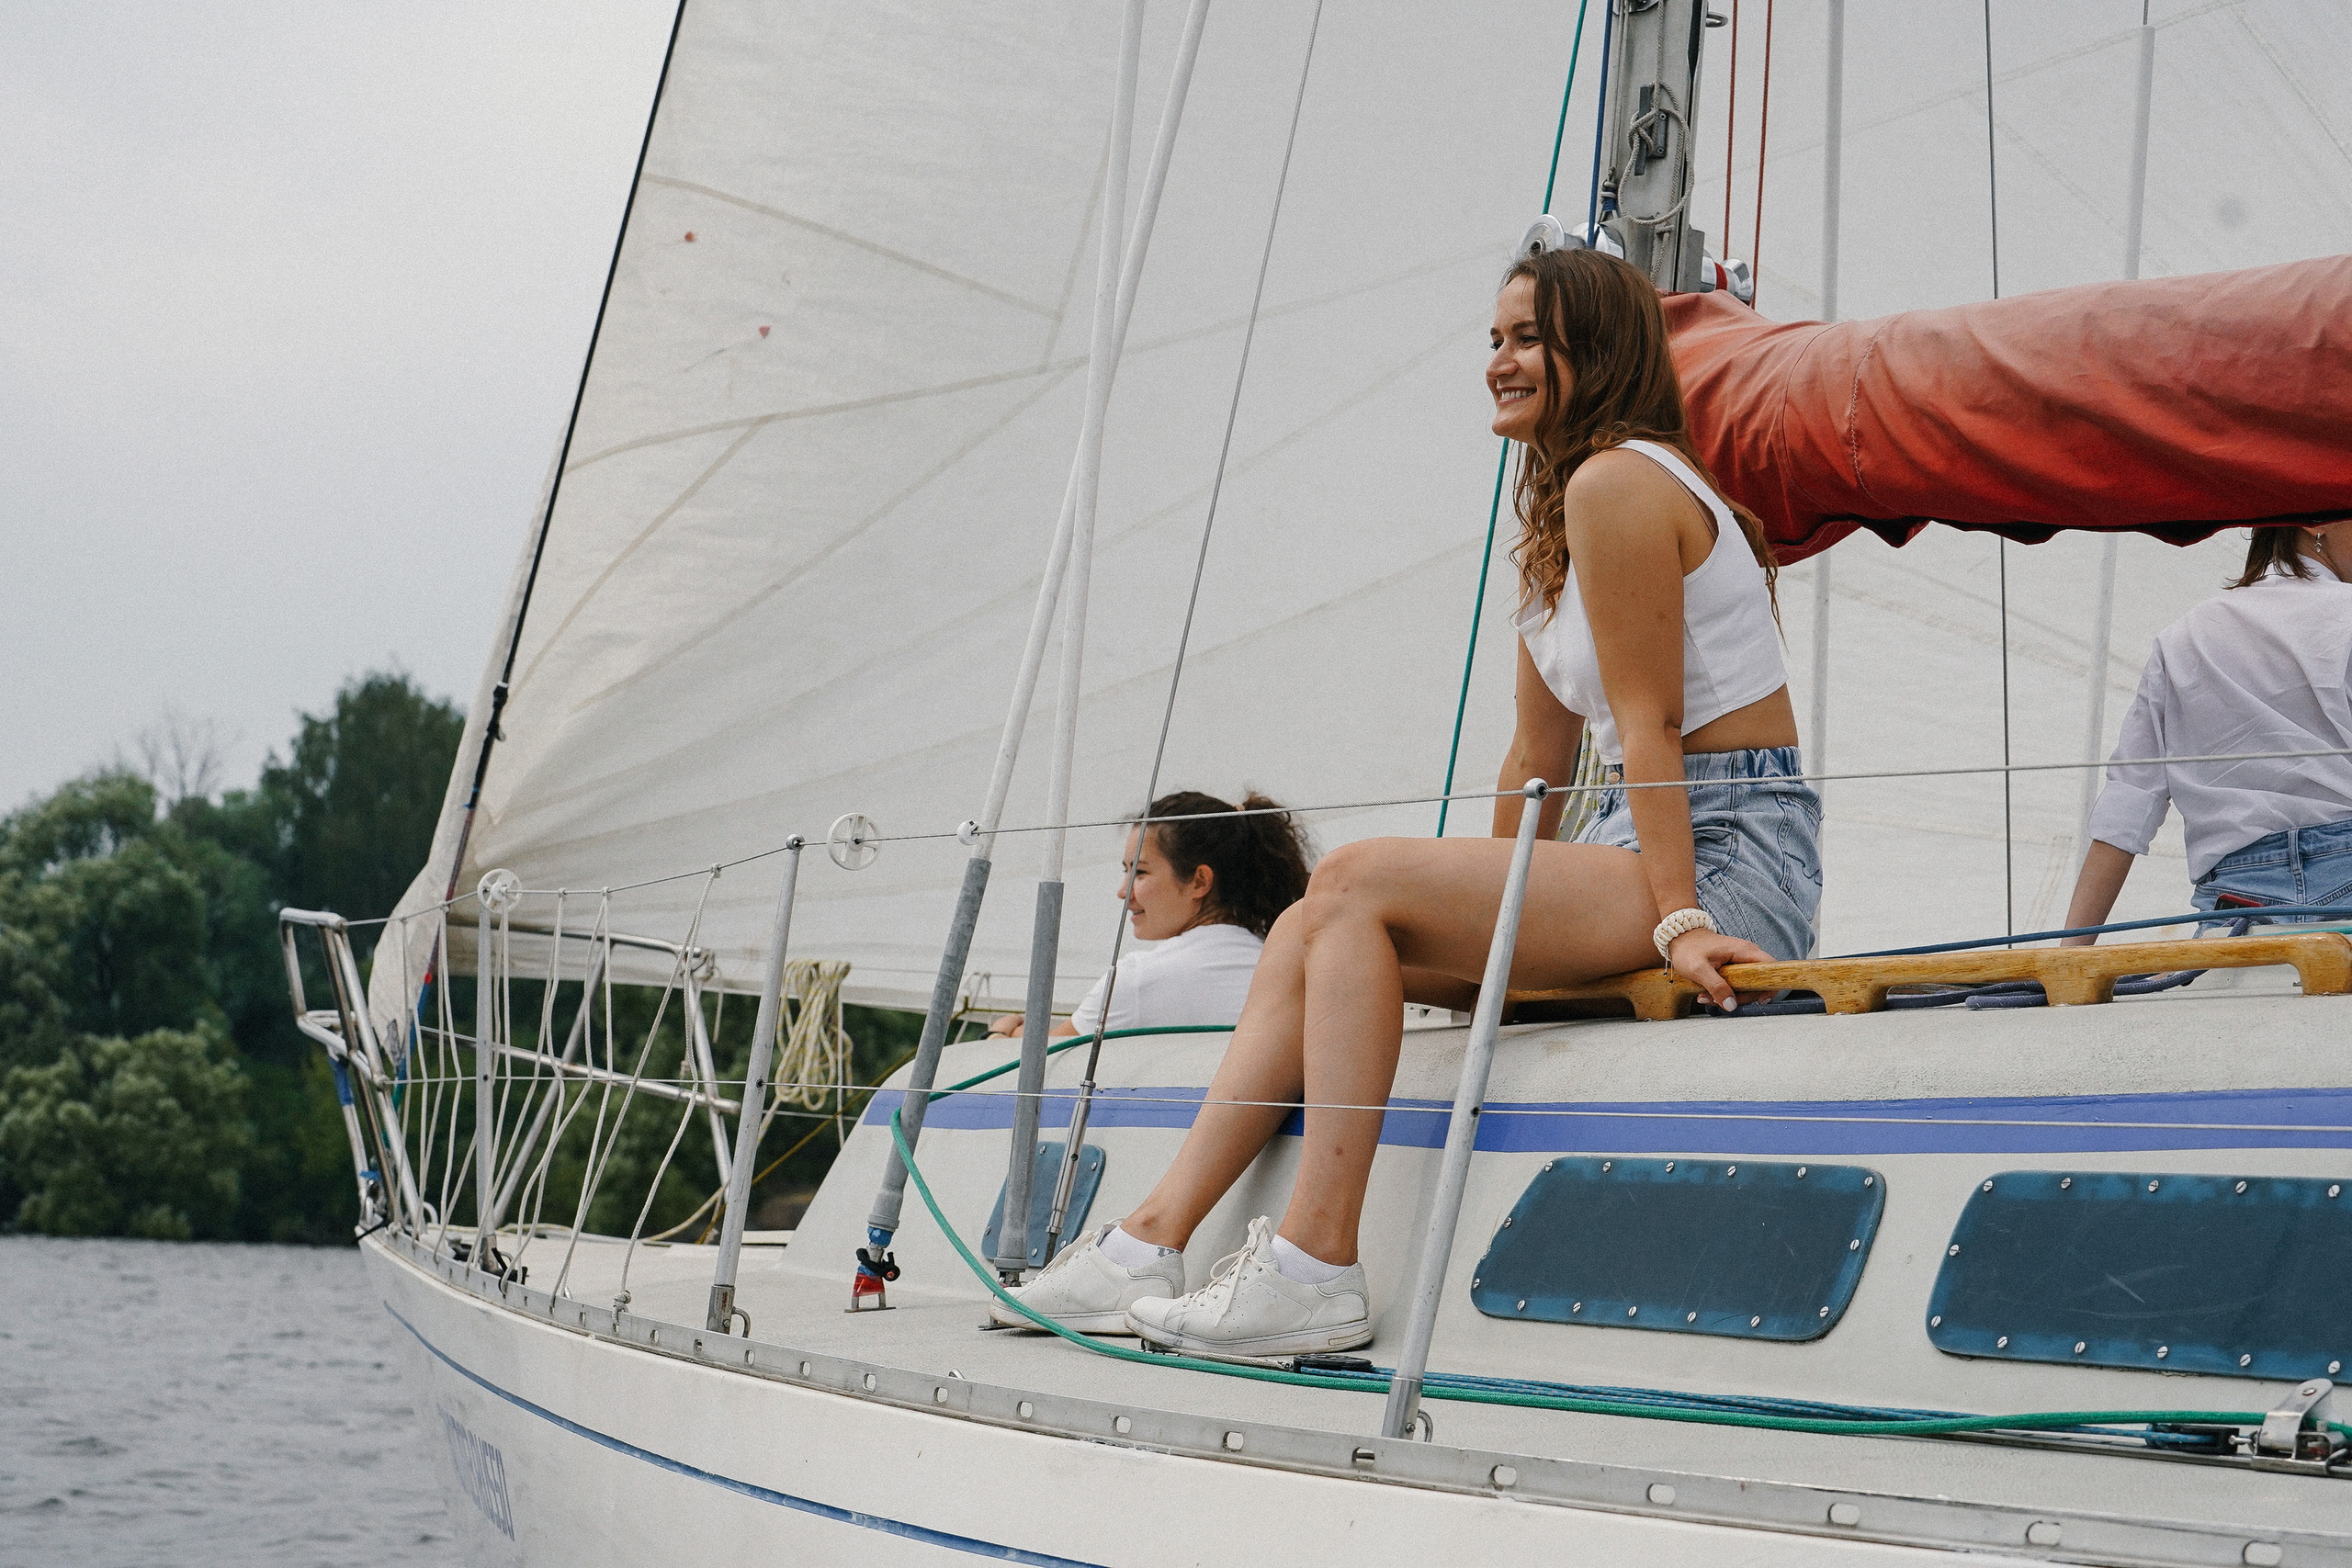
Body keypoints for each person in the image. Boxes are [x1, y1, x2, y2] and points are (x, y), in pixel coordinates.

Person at [998, 247, 1821, 1356]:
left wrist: (1676, 921)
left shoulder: (1617, 481)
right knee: (1313, 924)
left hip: (1723, 850)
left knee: (1350, 881)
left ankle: (1314, 1269)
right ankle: (1145, 1243)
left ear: (1600, 351)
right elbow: (1534, 761)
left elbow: (1649, 730)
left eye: (1527, 339)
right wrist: (1485, 929)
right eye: (1493, 340)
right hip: (1632, 842)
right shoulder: (1552, 515)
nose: (1499, 362)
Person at [2063, 522, 2352, 944]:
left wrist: (2070, 953)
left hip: (2235, 906)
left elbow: (2127, 804)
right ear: (2314, 523)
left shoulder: (2184, 635)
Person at [986, 790, 1314, 1043]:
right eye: (1125, 871)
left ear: (1199, 881)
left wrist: (999, 1034)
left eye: (1139, 872)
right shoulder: (1287, 966)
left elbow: (1030, 1062)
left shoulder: (1140, 980)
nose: (1122, 891)